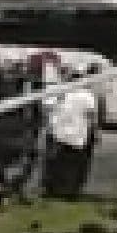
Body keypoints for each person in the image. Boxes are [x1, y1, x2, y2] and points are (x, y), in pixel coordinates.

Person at [43, 68, 100, 198]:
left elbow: (47, 109)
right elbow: (92, 116)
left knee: (59, 163)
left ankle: (56, 189)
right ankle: (70, 190)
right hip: (76, 136)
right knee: (74, 165)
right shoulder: (86, 95)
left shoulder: (61, 92)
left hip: (60, 134)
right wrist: (95, 132)